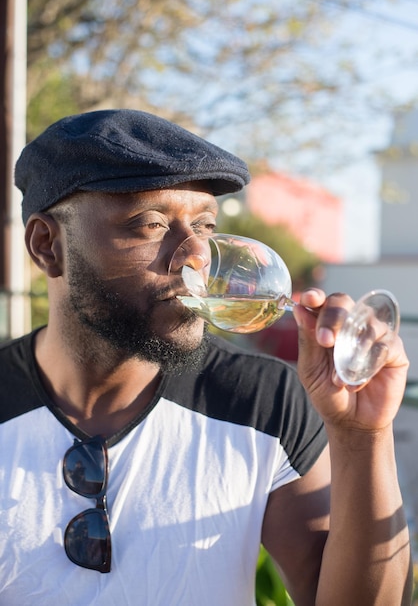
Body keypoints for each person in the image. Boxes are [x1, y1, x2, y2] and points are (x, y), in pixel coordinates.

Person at [0, 109, 412, 605]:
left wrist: (363, 437)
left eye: (205, 225)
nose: (195, 255)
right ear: (47, 246)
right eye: (150, 224)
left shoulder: (260, 400)